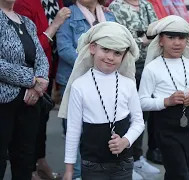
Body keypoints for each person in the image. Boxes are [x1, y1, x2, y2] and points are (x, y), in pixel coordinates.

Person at [58, 21, 145, 180]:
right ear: (92, 48)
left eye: (117, 53)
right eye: (105, 49)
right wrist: (69, 170)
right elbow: (73, 130)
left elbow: (138, 121)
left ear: (124, 55)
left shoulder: (128, 85)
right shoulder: (79, 86)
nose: (110, 57)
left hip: (123, 164)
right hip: (92, 165)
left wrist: (126, 141)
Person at [139, 15, 189, 180]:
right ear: (161, 40)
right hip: (166, 128)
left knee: (184, 170)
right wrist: (166, 101)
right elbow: (142, 102)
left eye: (181, 38)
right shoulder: (152, 68)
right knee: (180, 174)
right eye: (171, 38)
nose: (177, 43)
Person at [56, 0, 115, 178]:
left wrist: (103, 65)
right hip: (74, 79)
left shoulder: (109, 15)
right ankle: (75, 174)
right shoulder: (68, 14)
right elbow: (64, 48)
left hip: (105, 79)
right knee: (75, 131)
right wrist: (92, 64)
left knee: (102, 129)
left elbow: (118, 44)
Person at [13, 0, 71, 179]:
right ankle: (30, 170)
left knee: (42, 121)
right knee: (28, 128)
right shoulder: (23, 3)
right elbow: (29, 48)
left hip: (48, 70)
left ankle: (40, 163)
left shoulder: (55, 1)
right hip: (29, 75)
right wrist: (55, 25)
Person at [109, 0, 161, 178]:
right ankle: (125, 160)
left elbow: (156, 32)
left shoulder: (146, 5)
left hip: (148, 67)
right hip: (127, 67)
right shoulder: (116, 6)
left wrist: (144, 39)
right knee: (126, 114)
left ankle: (137, 158)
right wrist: (143, 40)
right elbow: (121, 40)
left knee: (142, 114)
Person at [0, 0, 49, 179]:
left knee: (25, 159)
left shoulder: (27, 22)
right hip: (3, 102)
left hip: (30, 101)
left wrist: (39, 85)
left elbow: (41, 58)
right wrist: (31, 80)